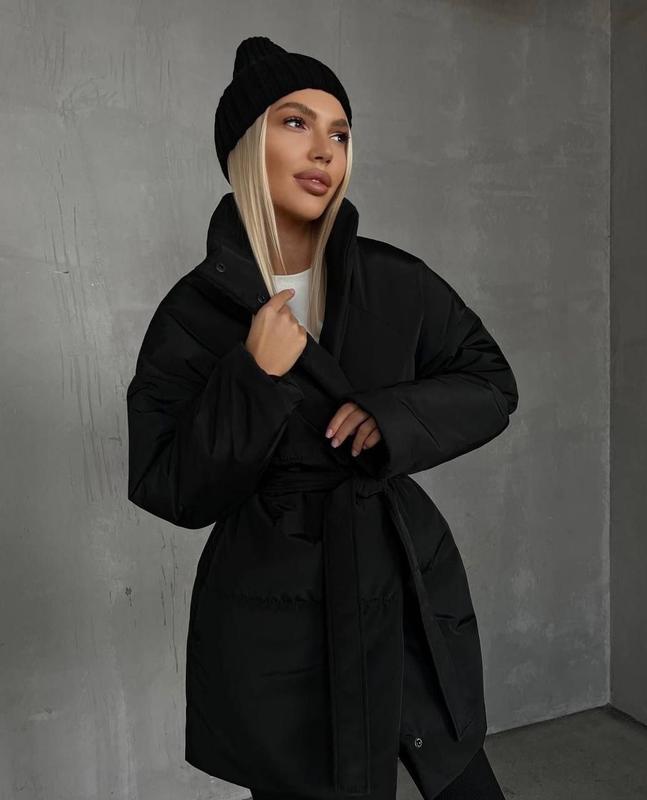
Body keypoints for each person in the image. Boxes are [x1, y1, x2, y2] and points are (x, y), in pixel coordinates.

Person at [126, 35, 518, 800]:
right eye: (295, 123)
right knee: (302, 780)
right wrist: (253, 377)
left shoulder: (395, 280)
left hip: (397, 565)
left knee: (455, 771)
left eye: (339, 133)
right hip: (274, 593)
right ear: (246, 146)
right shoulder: (195, 311)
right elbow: (169, 485)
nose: (323, 151)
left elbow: (489, 382)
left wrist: (392, 415)